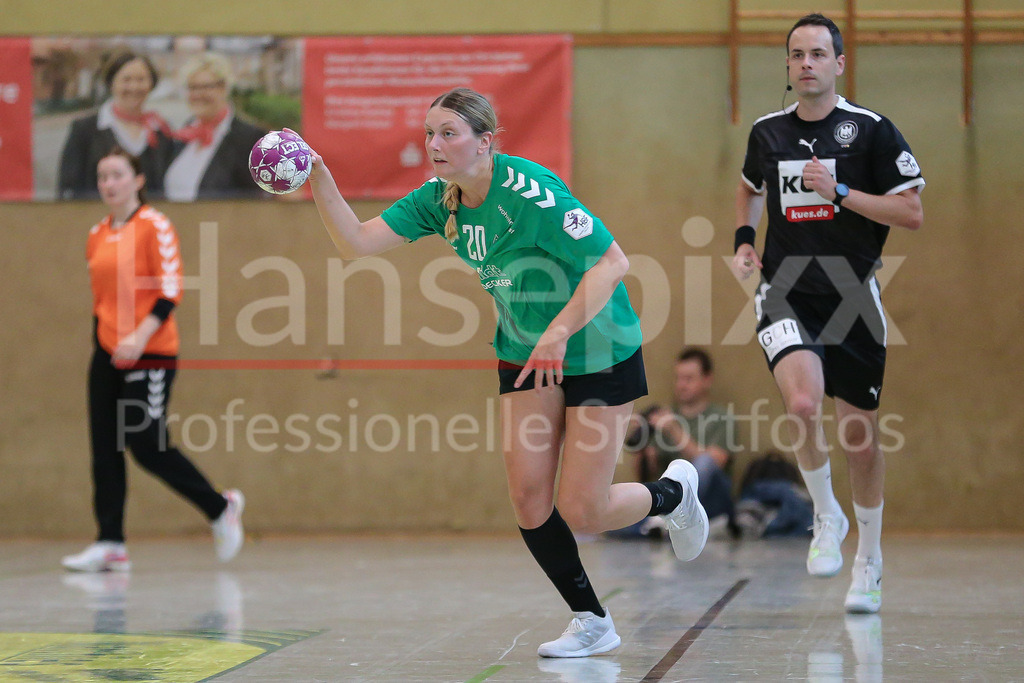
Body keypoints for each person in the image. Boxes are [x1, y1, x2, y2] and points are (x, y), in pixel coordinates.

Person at [304, 87, 710, 658]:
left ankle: (672, 494)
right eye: (429, 133)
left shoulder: (532, 192)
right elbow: (358, 242)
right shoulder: (437, 201)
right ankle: (591, 620)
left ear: (484, 142)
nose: (434, 144)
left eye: (449, 133)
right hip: (523, 351)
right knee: (527, 498)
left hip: (599, 348)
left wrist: (560, 331)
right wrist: (319, 174)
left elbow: (613, 262)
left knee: (582, 509)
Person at [731, 13, 924, 614]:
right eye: (797, 54)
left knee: (859, 437)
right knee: (802, 403)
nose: (807, 63)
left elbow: (911, 211)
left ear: (839, 63)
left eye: (818, 53)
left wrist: (839, 192)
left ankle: (869, 559)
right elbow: (749, 187)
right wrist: (744, 237)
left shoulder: (870, 132)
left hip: (854, 294)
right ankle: (824, 513)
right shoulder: (766, 133)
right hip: (785, 289)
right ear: (788, 66)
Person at [62, 147, 245, 573]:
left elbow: (169, 291)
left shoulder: (155, 226)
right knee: (104, 448)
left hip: (151, 353)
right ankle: (110, 542)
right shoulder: (97, 234)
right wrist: (105, 348)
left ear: (137, 180)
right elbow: (102, 301)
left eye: (118, 175)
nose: (109, 183)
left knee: (145, 444)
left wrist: (138, 339)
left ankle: (220, 507)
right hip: (106, 353)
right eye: (103, 176)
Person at [626, 348, 737, 526]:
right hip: (668, 503)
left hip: (710, 501)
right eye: (678, 378)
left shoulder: (721, 417)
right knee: (620, 521)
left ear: (707, 380)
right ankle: (666, 521)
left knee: (705, 462)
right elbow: (647, 476)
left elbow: (715, 463)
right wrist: (642, 445)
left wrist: (675, 432)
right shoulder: (664, 417)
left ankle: (671, 517)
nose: (681, 384)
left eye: (689, 379)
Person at [58, 51, 174, 200]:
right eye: (126, 80)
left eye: (141, 79)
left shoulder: (161, 130)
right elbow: (67, 189)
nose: (134, 87)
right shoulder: (85, 129)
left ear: (151, 84)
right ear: (111, 83)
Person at [164, 52, 266, 201]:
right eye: (192, 87)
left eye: (206, 87)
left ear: (224, 88)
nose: (198, 94)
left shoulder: (249, 138)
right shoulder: (185, 133)